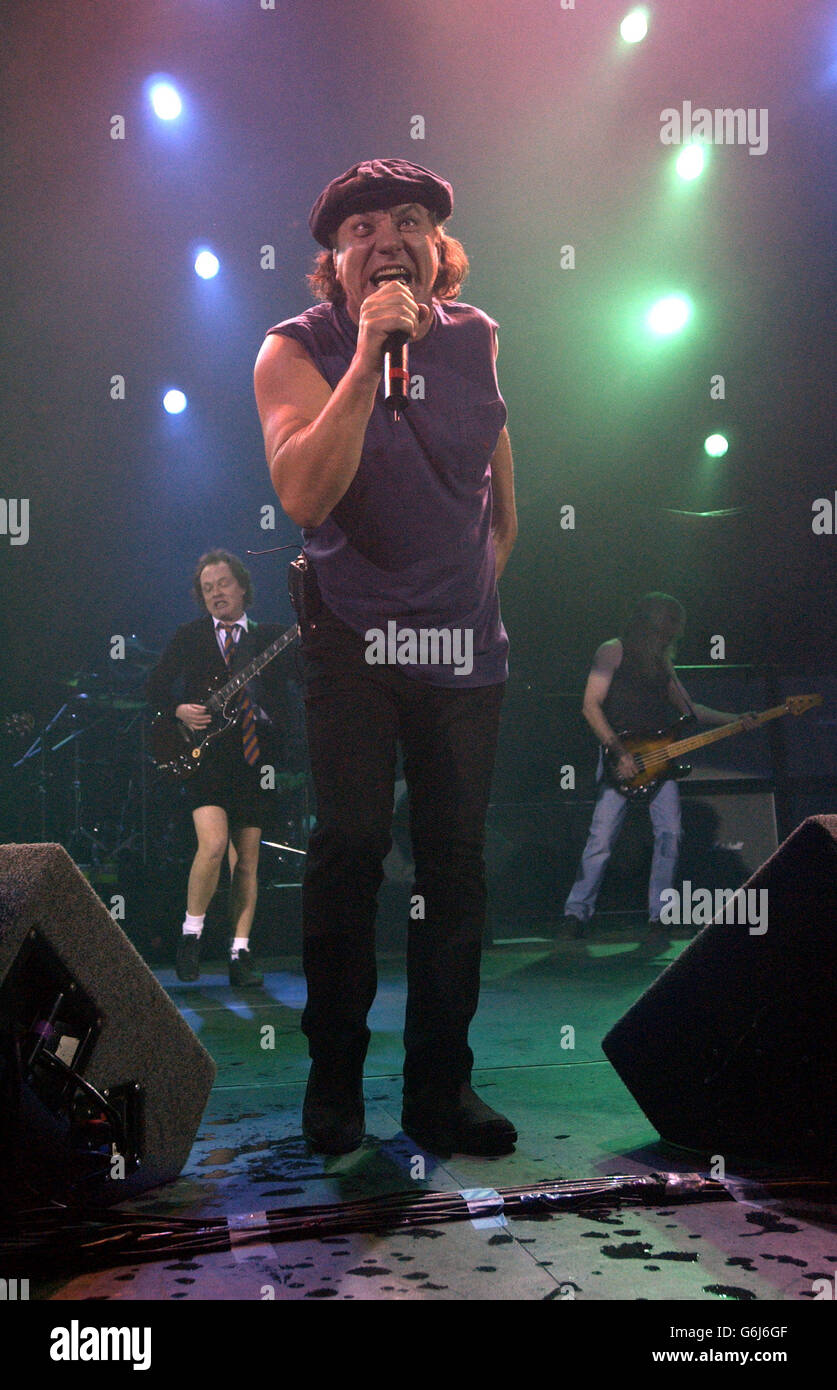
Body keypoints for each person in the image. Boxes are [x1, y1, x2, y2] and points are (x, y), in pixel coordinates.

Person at [253, 158, 518, 1156]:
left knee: (454, 867)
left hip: (463, 650)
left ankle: (441, 1092)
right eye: (362, 228)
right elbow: (306, 494)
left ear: (436, 249)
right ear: (335, 260)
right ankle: (336, 1088)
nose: (388, 238)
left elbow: (501, 500)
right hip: (354, 642)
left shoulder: (478, 338)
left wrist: (468, 599)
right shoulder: (295, 348)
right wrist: (367, 358)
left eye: (409, 221)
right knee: (351, 850)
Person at [563, 593, 756, 952]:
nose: (670, 638)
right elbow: (590, 705)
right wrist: (617, 752)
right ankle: (575, 916)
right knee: (601, 841)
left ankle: (660, 918)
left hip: (660, 760)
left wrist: (736, 721)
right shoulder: (613, 650)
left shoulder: (661, 664)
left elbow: (690, 709)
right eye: (668, 629)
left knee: (669, 836)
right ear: (655, 625)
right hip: (621, 757)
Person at [147, 550, 288, 986]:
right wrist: (178, 710)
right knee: (212, 845)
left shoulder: (269, 638)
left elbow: (297, 685)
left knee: (246, 861)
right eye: (207, 589)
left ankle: (239, 953)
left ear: (243, 587)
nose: (216, 594)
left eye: (223, 584)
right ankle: (191, 937)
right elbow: (153, 685)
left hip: (251, 760)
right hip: (204, 759)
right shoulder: (189, 636)